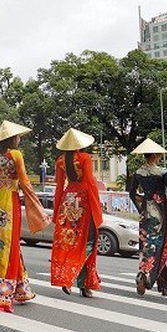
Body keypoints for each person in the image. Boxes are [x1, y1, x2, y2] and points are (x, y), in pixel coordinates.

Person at [0, 121, 48, 312]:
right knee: (8, 245)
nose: (19, 139)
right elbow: (25, 183)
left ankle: (20, 289)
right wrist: (38, 208)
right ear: (11, 138)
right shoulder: (15, 155)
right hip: (10, 203)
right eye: (18, 136)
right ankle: (0, 294)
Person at [128, 138, 167, 297]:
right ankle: (146, 277)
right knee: (165, 246)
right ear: (155, 155)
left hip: (146, 214)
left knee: (149, 246)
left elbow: (131, 194)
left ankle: (164, 284)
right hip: (162, 213)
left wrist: (141, 208)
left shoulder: (138, 173)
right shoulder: (163, 172)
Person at [50, 128, 102, 298]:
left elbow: (58, 187)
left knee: (70, 242)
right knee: (89, 241)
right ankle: (72, 277)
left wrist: (56, 211)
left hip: (67, 200)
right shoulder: (84, 158)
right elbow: (90, 183)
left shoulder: (60, 161)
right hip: (83, 202)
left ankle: (82, 284)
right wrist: (96, 208)